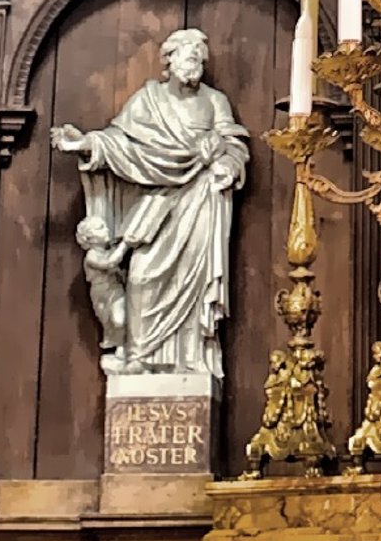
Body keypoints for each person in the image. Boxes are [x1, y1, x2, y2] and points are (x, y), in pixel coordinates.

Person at [57, 28, 249, 381]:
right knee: (142, 277)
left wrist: (226, 163)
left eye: (200, 60)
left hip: (200, 202)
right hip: (157, 206)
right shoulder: (148, 101)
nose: (197, 65)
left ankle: (192, 360)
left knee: (193, 284)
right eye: (190, 57)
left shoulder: (214, 101)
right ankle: (141, 356)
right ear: (170, 59)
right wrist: (86, 144)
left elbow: (233, 143)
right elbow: (120, 143)